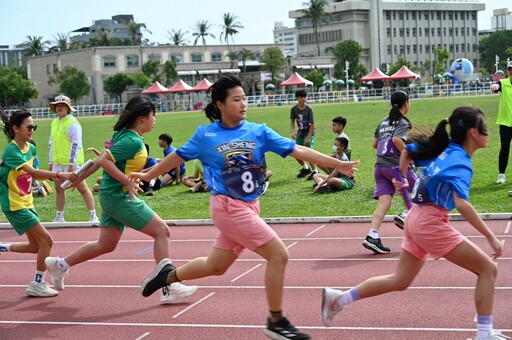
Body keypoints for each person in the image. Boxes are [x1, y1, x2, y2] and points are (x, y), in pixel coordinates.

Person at [128, 74, 359, 340]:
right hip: (227, 207)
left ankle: (168, 275)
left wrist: (337, 164)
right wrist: (148, 175)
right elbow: (178, 156)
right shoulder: (206, 135)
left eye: (244, 98)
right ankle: (276, 321)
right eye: (236, 99)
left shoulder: (258, 131)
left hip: (250, 206)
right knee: (278, 255)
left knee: (217, 266)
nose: (243, 104)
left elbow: (297, 150)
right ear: (220, 104)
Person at [322, 105, 507, 340]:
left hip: (415, 218)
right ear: (473, 132)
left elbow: (407, 151)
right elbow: (461, 204)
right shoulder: (460, 162)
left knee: (400, 280)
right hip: (429, 222)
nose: (488, 133)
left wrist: (403, 181)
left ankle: (339, 299)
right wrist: (491, 238)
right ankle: (484, 334)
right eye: (486, 128)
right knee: (488, 269)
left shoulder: (445, 147)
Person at [44, 95, 197, 304]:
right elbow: (105, 161)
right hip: (118, 196)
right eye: (153, 116)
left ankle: (59, 265)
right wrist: (127, 180)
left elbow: (100, 160)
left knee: (105, 244)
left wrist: (78, 178)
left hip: (111, 195)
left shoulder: (124, 135)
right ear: (142, 118)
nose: (155, 120)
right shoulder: (131, 140)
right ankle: (168, 286)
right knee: (162, 231)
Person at [0, 108, 77, 297]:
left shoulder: (31, 148)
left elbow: (31, 175)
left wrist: (38, 187)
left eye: (34, 126)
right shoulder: (11, 151)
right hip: (15, 204)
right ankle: (37, 283)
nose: (32, 129)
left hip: (27, 201)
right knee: (47, 241)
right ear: (16, 129)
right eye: (29, 127)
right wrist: (59, 174)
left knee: (36, 246)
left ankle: (3, 247)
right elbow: (33, 173)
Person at [364, 90, 416, 254]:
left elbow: (374, 144)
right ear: (406, 103)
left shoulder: (383, 122)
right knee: (421, 188)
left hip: (379, 167)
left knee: (384, 203)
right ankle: (407, 214)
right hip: (395, 165)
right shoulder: (403, 122)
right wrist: (409, 155)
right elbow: (396, 140)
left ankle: (372, 235)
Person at [48, 95, 98, 223]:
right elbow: (51, 143)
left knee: (82, 188)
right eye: (57, 105)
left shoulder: (73, 123)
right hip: (58, 162)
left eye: (62, 105)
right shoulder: (54, 122)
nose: (59, 107)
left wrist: (72, 164)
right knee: (59, 189)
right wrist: (50, 162)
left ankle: (93, 215)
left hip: (72, 163)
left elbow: (76, 144)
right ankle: (59, 216)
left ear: (68, 108)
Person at [490, 61, 512, 185]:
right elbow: (497, 85)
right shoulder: (503, 83)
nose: (511, 71)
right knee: (505, 148)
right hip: (505, 123)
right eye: (510, 69)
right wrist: (495, 86)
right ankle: (501, 174)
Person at [290, 89, 318, 180]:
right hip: (300, 134)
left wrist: (308, 138)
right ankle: (306, 168)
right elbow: (292, 121)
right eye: (301, 97)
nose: (303, 99)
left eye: (304, 97)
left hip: (309, 133)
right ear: (297, 98)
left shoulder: (309, 109)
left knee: (308, 151)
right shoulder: (294, 109)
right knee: (294, 151)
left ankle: (315, 171)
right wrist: (293, 131)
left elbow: (312, 125)